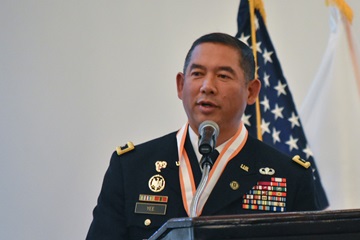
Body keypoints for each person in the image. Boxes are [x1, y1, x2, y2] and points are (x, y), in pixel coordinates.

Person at [86, 32, 321, 240]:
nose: (207, 86)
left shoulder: (290, 177)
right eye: (197, 73)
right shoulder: (131, 168)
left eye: (223, 76)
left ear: (251, 92)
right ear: (181, 85)